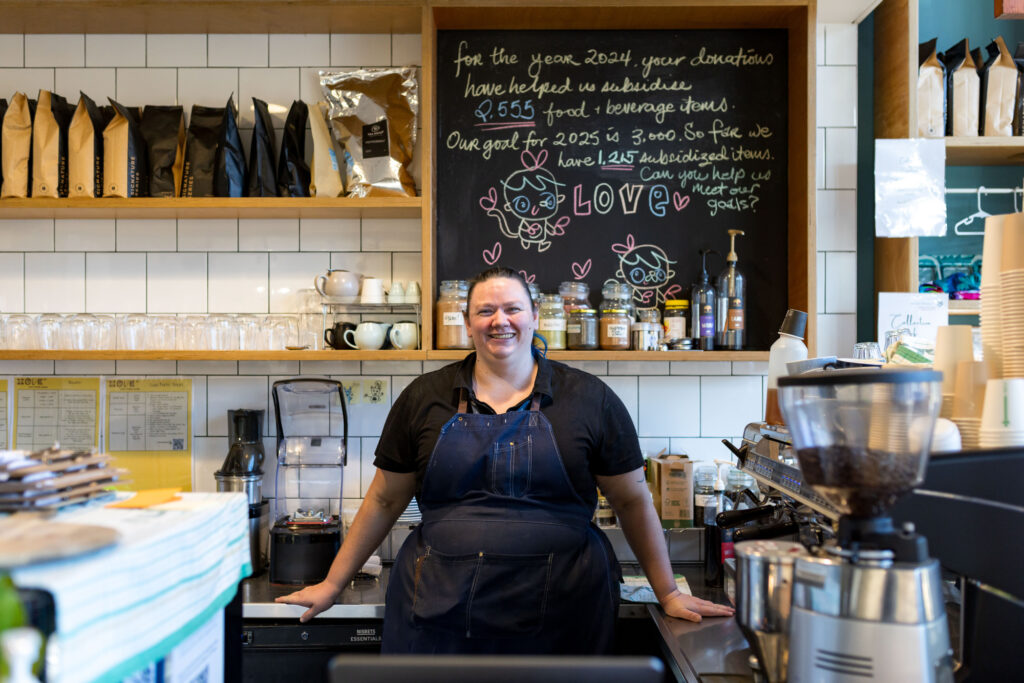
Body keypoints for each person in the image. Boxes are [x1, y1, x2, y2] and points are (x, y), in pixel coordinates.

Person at [276, 267, 734, 653]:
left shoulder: (590, 399)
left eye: (513, 309)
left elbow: (633, 502)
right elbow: (383, 501)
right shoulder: (424, 398)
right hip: (439, 615)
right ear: (466, 320)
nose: (501, 321)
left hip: (565, 615)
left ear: (534, 316)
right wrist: (333, 584)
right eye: (485, 311)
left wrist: (668, 591)